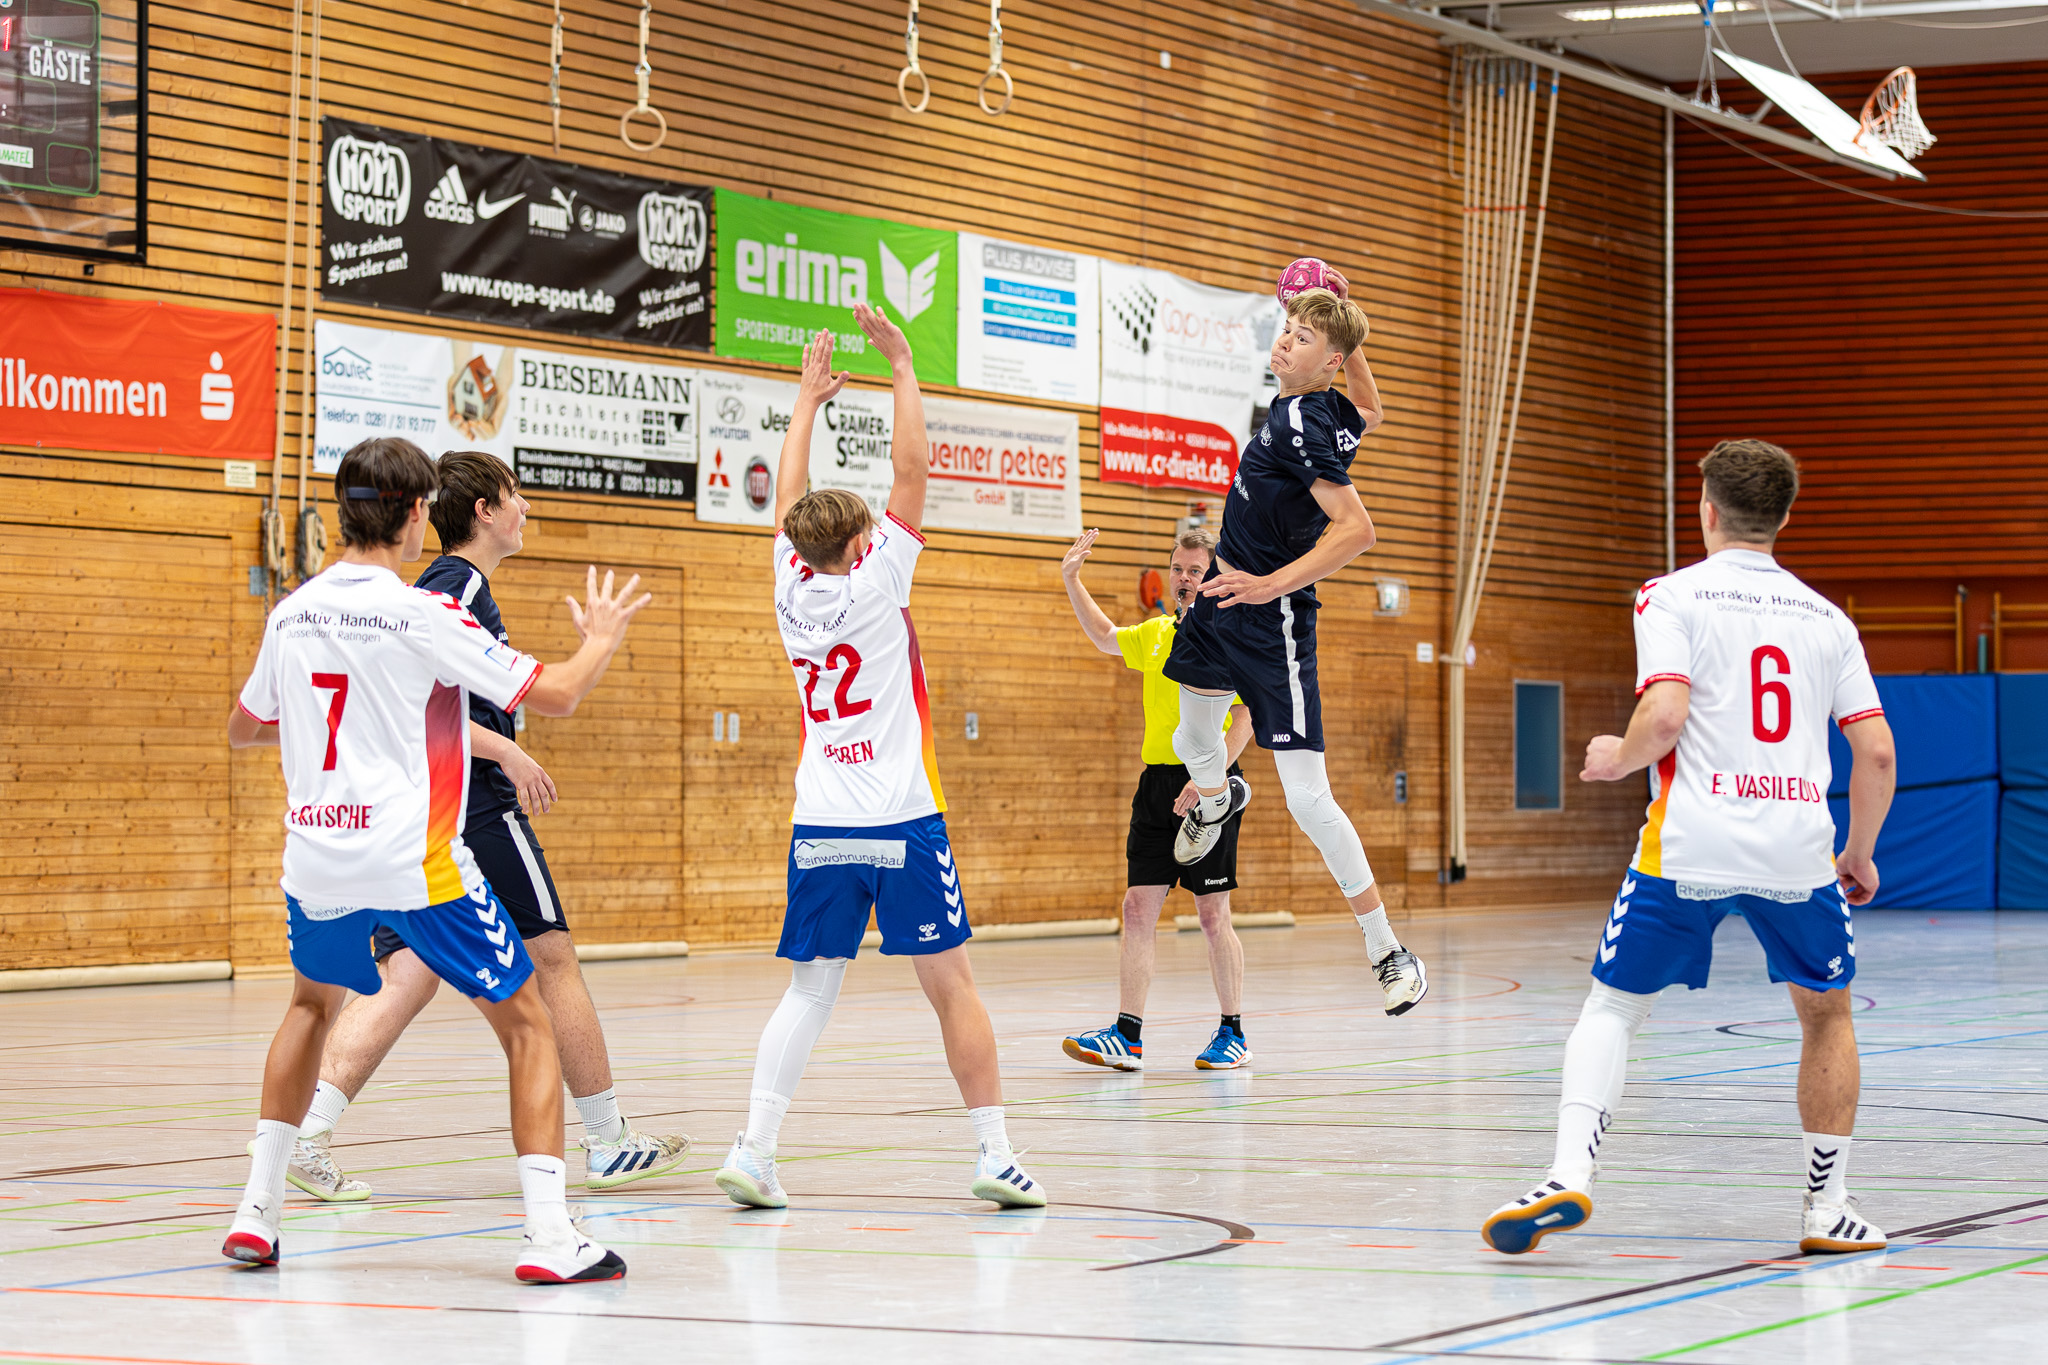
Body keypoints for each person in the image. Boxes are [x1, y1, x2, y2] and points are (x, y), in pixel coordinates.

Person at [223, 435, 651, 1283]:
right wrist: (600, 636)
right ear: (418, 513)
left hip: (313, 859)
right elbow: (557, 693)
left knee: (310, 1009)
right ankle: (551, 1238)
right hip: (411, 858)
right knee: (527, 1019)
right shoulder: (424, 611)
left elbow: (245, 726)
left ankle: (255, 1215)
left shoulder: (291, 612)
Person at [1481, 439, 1896, 1257]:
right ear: (1783, 515)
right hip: (1797, 850)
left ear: (1706, 509)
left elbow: (1665, 716)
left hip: (1690, 842)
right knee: (1827, 1015)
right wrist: (1858, 852)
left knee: (1612, 1005)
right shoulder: (1829, 619)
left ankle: (1569, 1171)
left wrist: (1617, 756)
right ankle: (1829, 1208)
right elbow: (1876, 752)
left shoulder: (1668, 595)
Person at [712, 305, 1046, 1211]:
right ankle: (996, 1152)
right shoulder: (880, 578)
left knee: (807, 994)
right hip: (900, 817)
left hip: (819, 820)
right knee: (954, 988)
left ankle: (755, 1145)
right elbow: (913, 468)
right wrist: (901, 363)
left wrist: (804, 405)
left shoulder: (789, 585)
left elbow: (790, 502)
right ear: (863, 544)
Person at [1162, 282, 1429, 1015]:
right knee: (1193, 735)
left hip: (1272, 618)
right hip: (1223, 596)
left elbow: (1357, 530)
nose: (1286, 340)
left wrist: (1268, 584)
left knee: (1310, 801)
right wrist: (1347, 339)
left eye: (1305, 337)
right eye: (1286, 328)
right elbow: (1371, 411)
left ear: (1327, 362)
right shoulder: (1323, 409)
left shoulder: (1303, 425)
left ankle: (1387, 950)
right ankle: (1217, 798)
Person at [1057, 525, 1257, 1070]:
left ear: (1213, 575)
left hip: (1208, 786)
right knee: (1137, 906)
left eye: (1196, 570)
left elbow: (1246, 715)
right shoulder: (1157, 634)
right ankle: (1128, 1034)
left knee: (1213, 912)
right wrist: (1072, 580)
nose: (1186, 578)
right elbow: (1104, 636)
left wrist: (1210, 775)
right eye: (1179, 569)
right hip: (1155, 788)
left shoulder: (1231, 636)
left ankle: (1233, 1032)